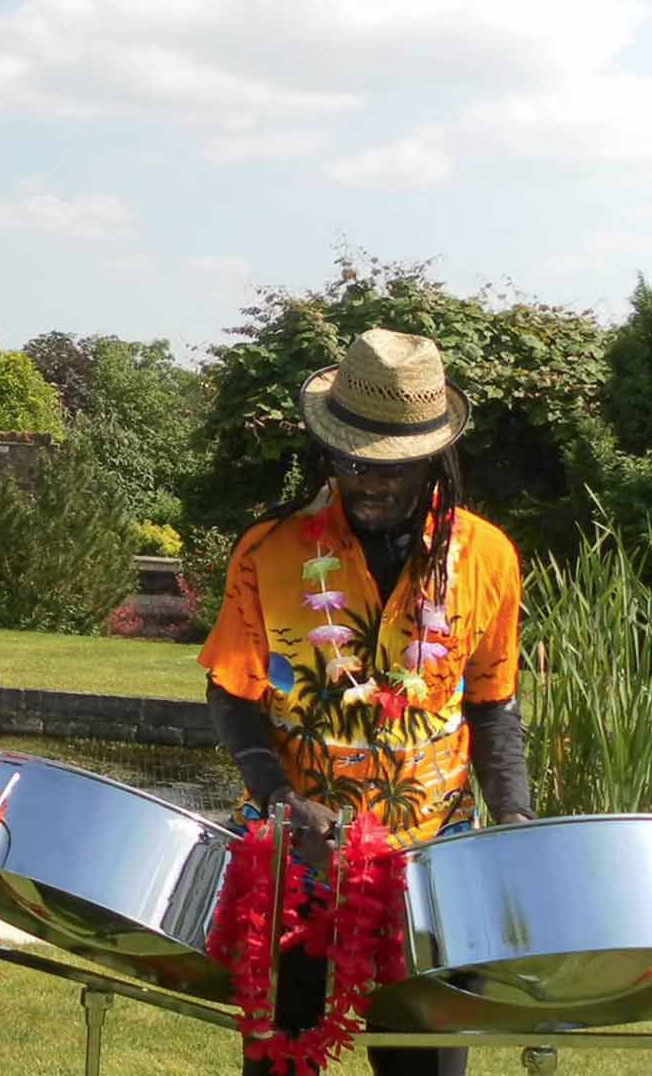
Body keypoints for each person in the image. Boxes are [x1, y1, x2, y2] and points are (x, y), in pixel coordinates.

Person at [200, 328, 532, 1076]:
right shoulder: (269, 551)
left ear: (433, 460)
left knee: (424, 1066)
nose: (372, 482)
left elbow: (492, 703)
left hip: (433, 861)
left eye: (395, 467)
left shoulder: (487, 558)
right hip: (298, 857)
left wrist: (513, 818)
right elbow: (232, 688)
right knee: (279, 1063)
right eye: (353, 462)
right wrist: (280, 796)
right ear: (329, 454)